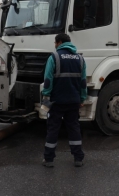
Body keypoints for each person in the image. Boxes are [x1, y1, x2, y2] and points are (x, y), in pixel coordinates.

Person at [41, 33, 87, 167]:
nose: (55, 46)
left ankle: (49, 159)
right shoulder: (80, 59)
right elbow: (83, 82)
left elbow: (48, 79)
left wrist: (46, 96)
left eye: (55, 43)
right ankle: (78, 158)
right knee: (74, 128)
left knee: (53, 129)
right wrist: (82, 98)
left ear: (59, 42)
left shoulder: (54, 57)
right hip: (74, 100)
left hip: (57, 101)